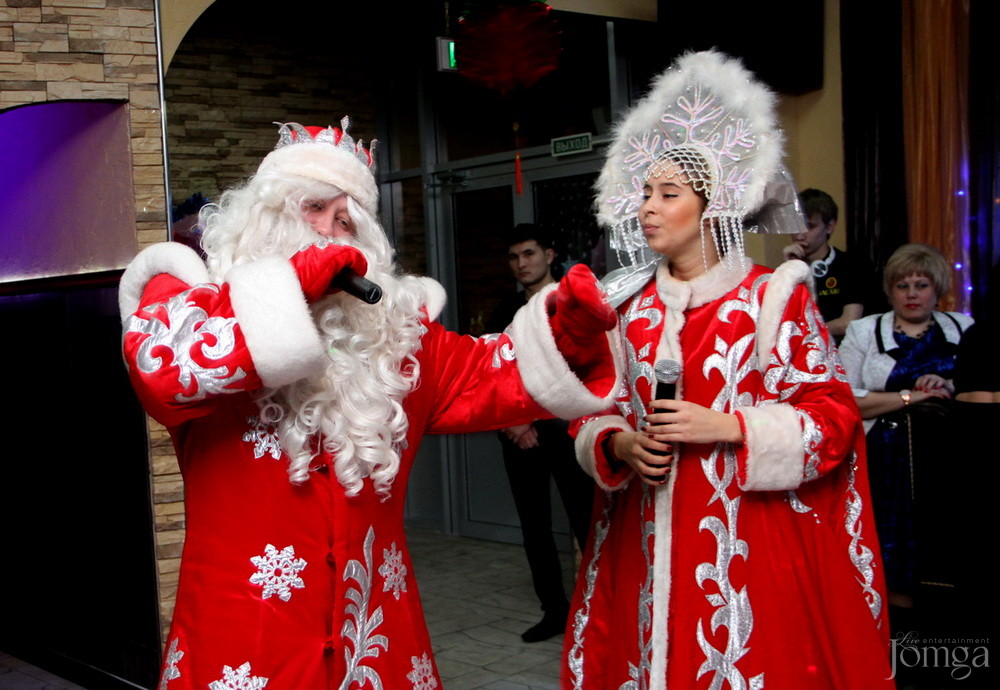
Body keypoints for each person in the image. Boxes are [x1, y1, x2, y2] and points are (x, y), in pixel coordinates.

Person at [119, 119, 620, 689]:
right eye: (313, 210)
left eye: (345, 220)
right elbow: (159, 373)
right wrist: (288, 289)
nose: (331, 234)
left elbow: (485, 374)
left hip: (377, 646)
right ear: (263, 218)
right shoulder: (188, 298)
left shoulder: (392, 340)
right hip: (243, 647)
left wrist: (565, 334)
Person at [563, 51, 892, 689]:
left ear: (714, 205)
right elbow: (593, 411)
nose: (648, 208)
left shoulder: (773, 297)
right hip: (641, 539)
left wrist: (731, 426)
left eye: (668, 194)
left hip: (749, 547)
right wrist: (618, 443)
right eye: (646, 194)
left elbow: (833, 416)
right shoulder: (626, 307)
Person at [839, 243, 972, 619]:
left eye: (921, 284)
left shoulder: (965, 327)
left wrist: (947, 383)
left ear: (938, 288)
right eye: (903, 286)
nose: (912, 294)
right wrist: (910, 396)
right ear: (889, 290)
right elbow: (843, 398)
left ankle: (946, 639)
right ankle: (901, 646)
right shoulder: (865, 331)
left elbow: (983, 387)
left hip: (948, 461)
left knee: (946, 550)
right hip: (883, 460)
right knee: (890, 552)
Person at [486, 224, 594, 643]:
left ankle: (597, 607)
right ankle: (554, 610)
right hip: (520, 433)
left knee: (586, 521)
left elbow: (588, 367)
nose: (521, 264)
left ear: (549, 255)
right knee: (535, 526)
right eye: (514, 257)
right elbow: (492, 373)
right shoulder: (503, 310)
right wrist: (513, 424)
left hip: (568, 430)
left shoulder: (572, 303)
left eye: (529, 254)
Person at [782, 188, 864, 337]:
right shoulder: (787, 269)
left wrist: (806, 334)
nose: (799, 235)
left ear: (829, 227)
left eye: (809, 226)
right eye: (795, 226)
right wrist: (789, 271)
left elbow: (849, 323)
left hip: (842, 352)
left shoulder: (851, 265)